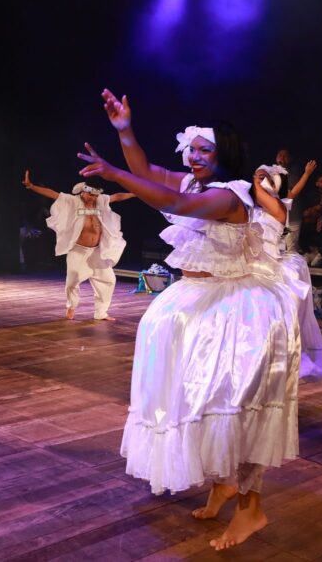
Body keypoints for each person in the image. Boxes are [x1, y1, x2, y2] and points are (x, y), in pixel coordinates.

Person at [94, 88, 300, 551]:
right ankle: (221, 482)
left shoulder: (233, 195)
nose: (194, 156)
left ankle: (252, 508)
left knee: (233, 407)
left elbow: (179, 206)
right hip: (193, 302)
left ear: (225, 154)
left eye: (205, 150)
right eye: (191, 149)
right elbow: (148, 171)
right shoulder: (193, 183)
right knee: (195, 403)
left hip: (236, 311)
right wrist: (125, 131)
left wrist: (113, 172)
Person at [252, 163, 322, 381]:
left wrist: (305, 173)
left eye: (264, 179)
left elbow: (292, 191)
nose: (259, 182)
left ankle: (274, 358)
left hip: (269, 266)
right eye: (258, 178)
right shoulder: (251, 206)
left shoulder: (279, 205)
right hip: (250, 266)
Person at [22, 169, 134, 320]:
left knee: (109, 280)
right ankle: (71, 305)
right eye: (90, 195)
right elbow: (52, 193)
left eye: (95, 196)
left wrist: (137, 193)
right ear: (83, 191)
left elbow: (118, 196)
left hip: (97, 251)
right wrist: (31, 186)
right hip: (78, 250)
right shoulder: (72, 201)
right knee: (72, 280)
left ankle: (101, 313)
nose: (92, 198)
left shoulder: (100, 201)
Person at [274, 149, 316, 252]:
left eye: (285, 156)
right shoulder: (270, 173)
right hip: (274, 216)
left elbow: (291, 194)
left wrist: (306, 174)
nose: (282, 158)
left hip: (292, 216)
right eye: (280, 155)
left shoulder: (294, 172)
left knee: (291, 248)